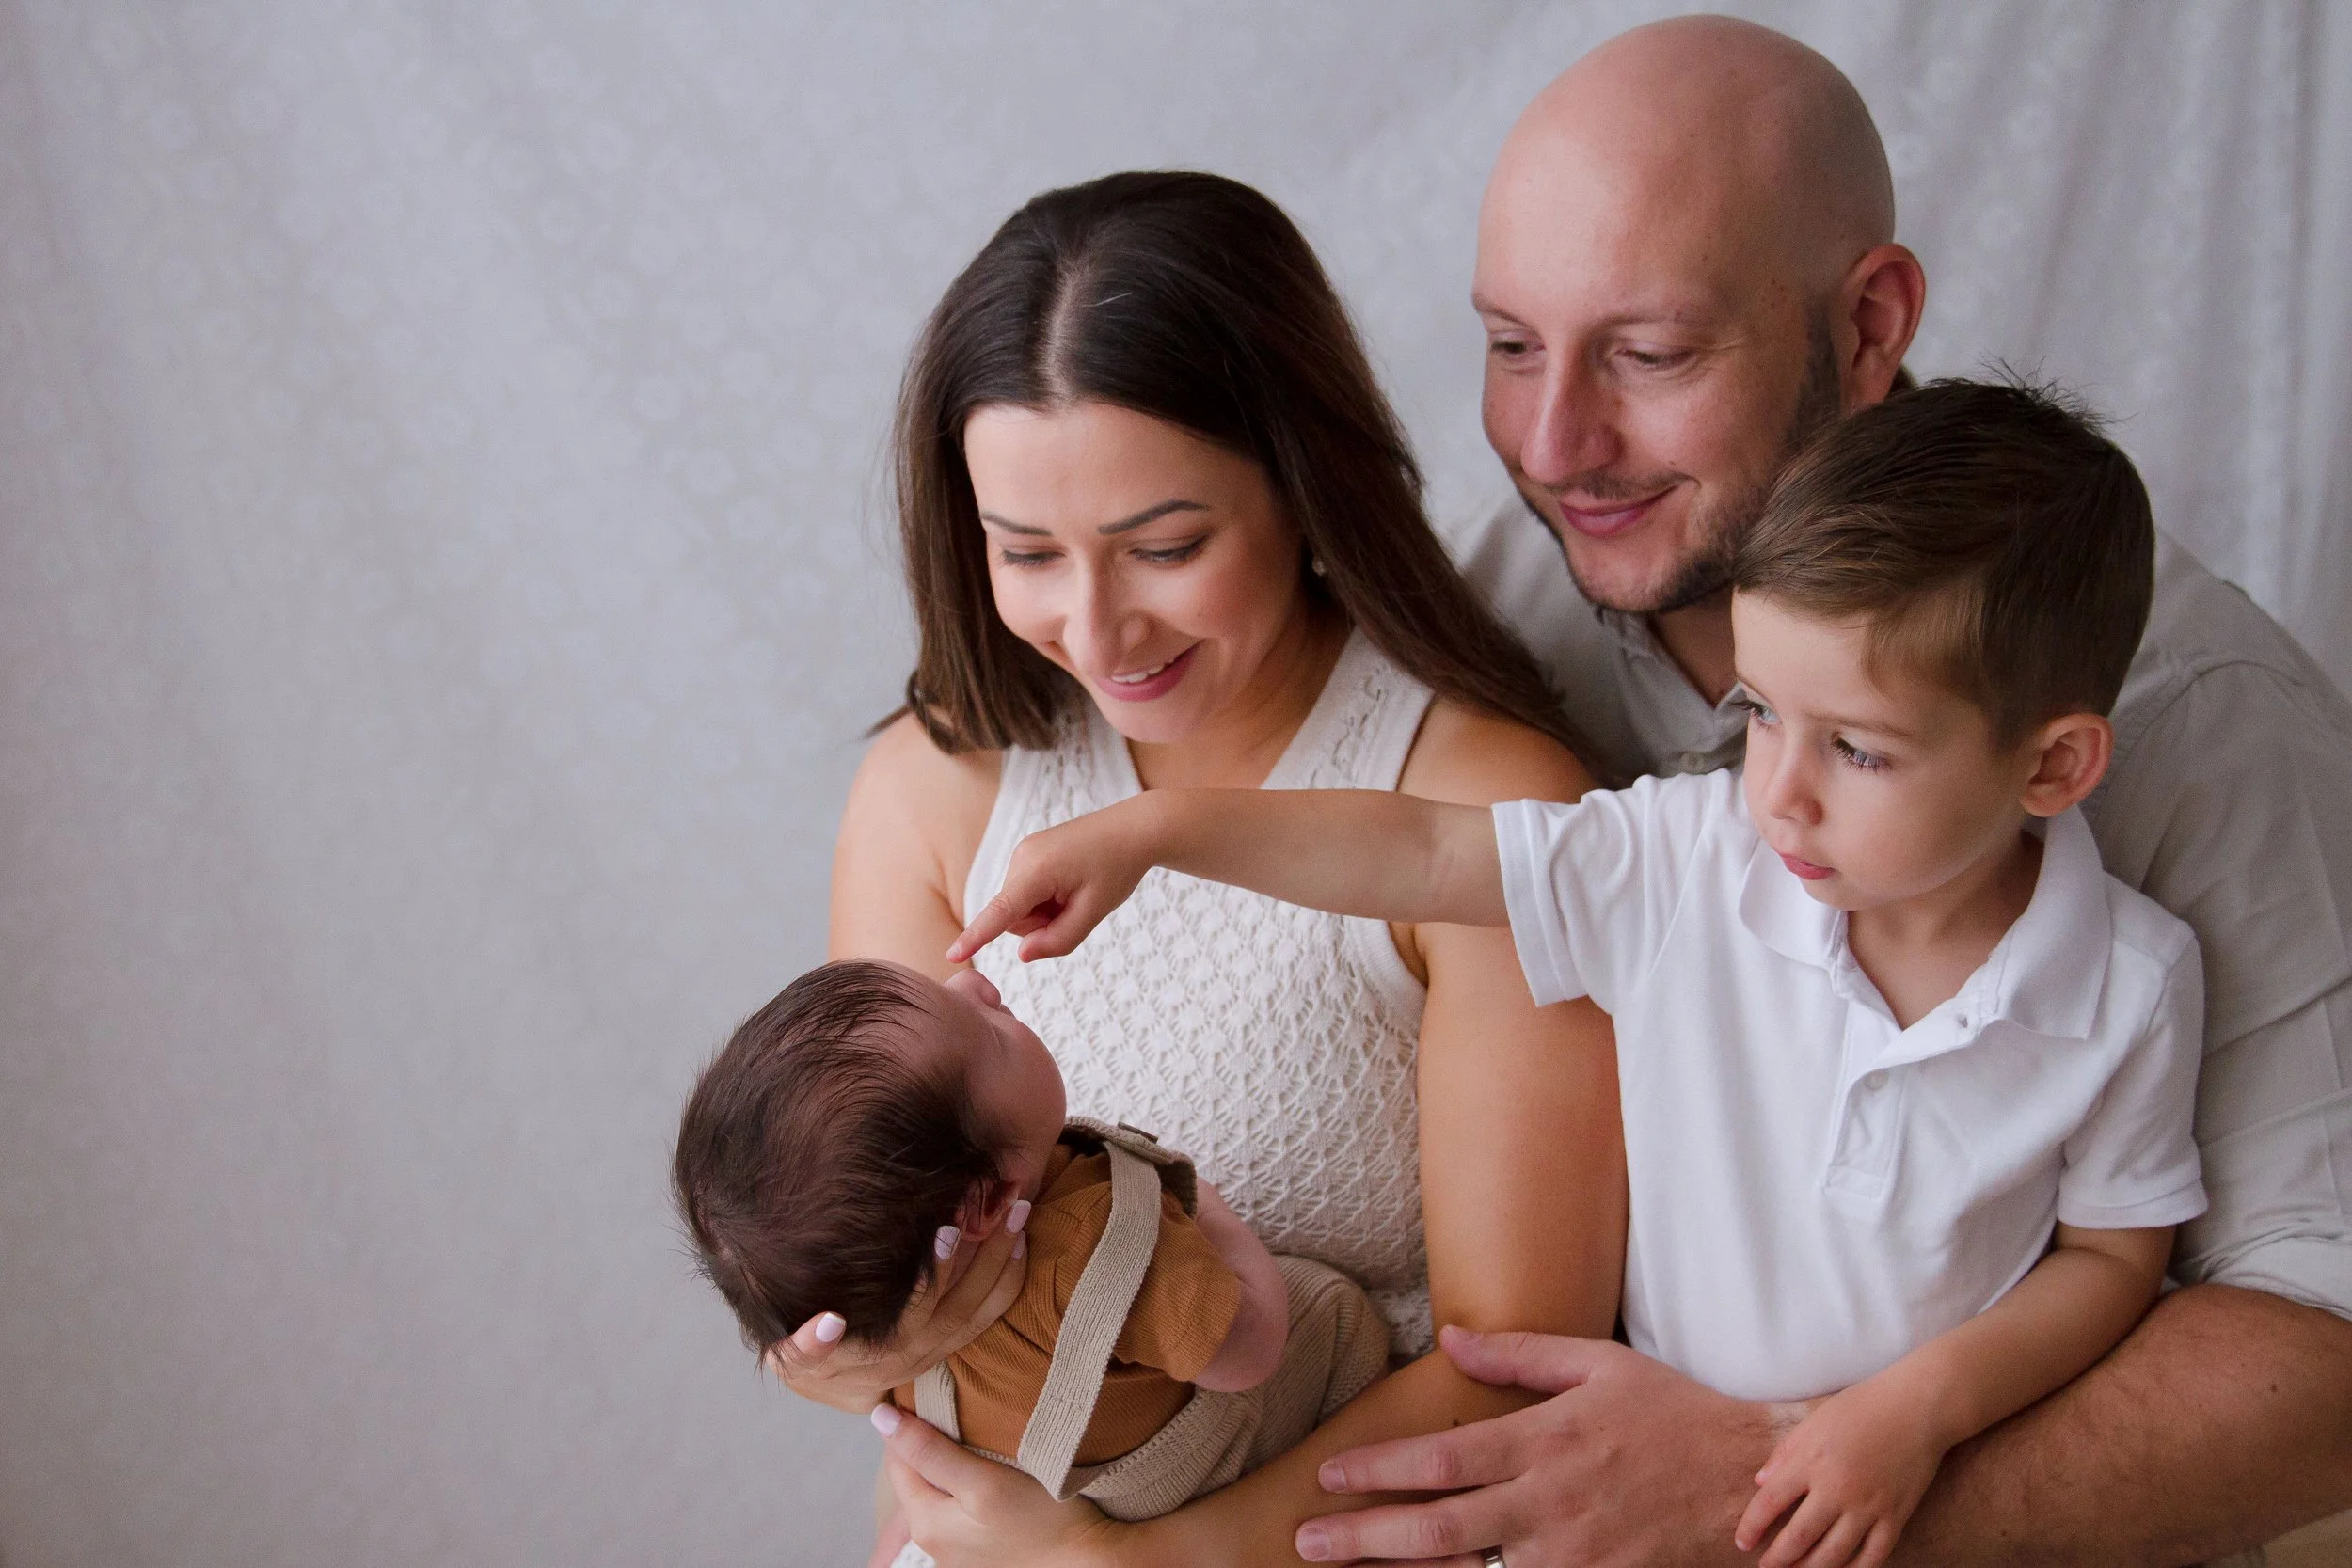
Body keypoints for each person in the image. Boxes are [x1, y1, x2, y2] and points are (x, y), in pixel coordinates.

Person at [873, 17, 2352, 1568]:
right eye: (1511, 345)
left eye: (1650, 355)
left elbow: (2322, 1357)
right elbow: (1405, 847)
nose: (1556, 442)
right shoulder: (1512, 617)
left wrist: (1770, 1499)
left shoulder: (2193, 724)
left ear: (1870, 325)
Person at [954, 377, 2208, 1568]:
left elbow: (2111, 1258)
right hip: (1631, 1503)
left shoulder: (2130, 986)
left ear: (2051, 768)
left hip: (1912, 1501)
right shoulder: (1687, 852)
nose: (1782, 787)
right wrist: (1162, 833)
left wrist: (1914, 1412)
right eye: (1764, 710)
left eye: (1861, 751)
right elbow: (1426, 844)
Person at [792, 169, 1629, 1564]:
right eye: (1028, 553)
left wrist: (1127, 1564)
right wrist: (846, 1347)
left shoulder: (1480, 806)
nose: (1098, 627)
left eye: (1166, 546)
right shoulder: (935, 787)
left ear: (1304, 486)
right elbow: (884, 1274)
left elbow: (1514, 1357)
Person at [672, 959, 1389, 1532]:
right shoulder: (1098, 1240)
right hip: (1221, 1463)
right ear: (985, 1201)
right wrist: (1219, 1221)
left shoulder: (888, 1317)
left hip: (1022, 1519)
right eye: (988, 1032)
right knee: (1331, 1306)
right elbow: (1250, 1351)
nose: (976, 983)